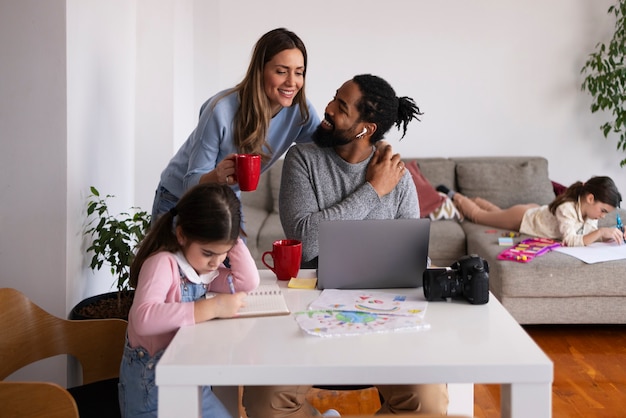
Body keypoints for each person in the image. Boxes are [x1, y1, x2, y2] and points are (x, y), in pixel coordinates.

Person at [242, 74, 448, 417]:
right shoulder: (302, 160)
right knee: (265, 401)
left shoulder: (399, 178)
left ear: (365, 128)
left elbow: (413, 258)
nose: (328, 108)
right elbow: (306, 242)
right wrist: (372, 191)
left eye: (341, 106)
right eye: (334, 98)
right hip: (306, 309)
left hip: (383, 312)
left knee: (428, 402)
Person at [118, 183, 260, 418]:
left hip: (193, 384)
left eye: (223, 253)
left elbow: (246, 282)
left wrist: (231, 238)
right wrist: (211, 307)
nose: (216, 263)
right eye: (208, 253)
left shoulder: (200, 268)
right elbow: (143, 317)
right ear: (182, 235)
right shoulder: (163, 264)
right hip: (151, 395)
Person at [151, 27, 320, 221]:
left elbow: (327, 148)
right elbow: (190, 182)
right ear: (260, 71)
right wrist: (216, 176)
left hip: (226, 200)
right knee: (171, 254)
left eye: (299, 73)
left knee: (239, 253)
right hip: (178, 199)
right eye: (281, 71)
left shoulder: (300, 111)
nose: (292, 82)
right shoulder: (220, 110)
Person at [435, 177, 625, 246]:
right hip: (523, 218)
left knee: (496, 212)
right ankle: (452, 195)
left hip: (535, 212)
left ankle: (471, 200)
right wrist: (601, 232)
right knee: (480, 217)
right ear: (590, 199)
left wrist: (614, 235)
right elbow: (570, 241)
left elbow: (590, 235)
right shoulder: (566, 209)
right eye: (602, 210)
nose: (602, 216)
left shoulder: (589, 214)